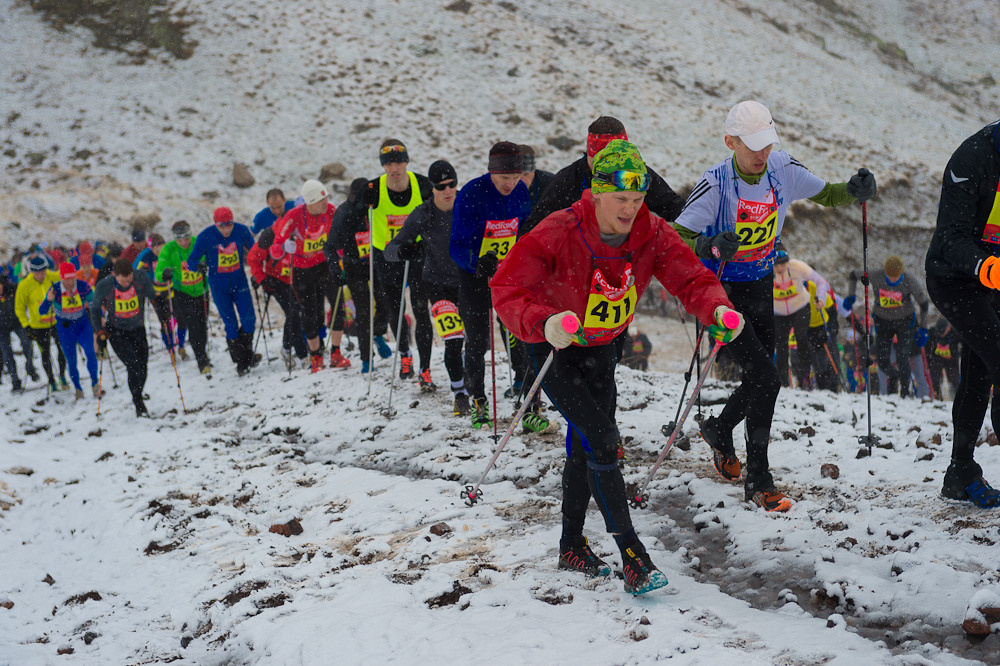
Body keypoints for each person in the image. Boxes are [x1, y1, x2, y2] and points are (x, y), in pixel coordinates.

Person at [492, 139, 739, 595]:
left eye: (638, 199)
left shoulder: (651, 231)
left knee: (585, 446)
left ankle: (571, 546)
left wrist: (717, 309)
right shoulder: (560, 228)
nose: (630, 209)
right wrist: (543, 321)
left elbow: (690, 277)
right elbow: (506, 288)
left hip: (603, 349)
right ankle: (633, 556)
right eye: (621, 198)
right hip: (555, 348)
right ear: (598, 192)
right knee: (603, 439)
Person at [673, 100, 876, 510]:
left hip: (761, 285)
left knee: (763, 377)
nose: (761, 153)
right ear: (730, 141)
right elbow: (676, 237)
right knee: (767, 378)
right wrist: (709, 245)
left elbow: (828, 194)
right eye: (752, 145)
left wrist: (854, 190)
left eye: (766, 142)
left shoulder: (782, 168)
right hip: (722, 294)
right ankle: (759, 479)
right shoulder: (715, 184)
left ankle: (720, 428)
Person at [924, 118, 1000, 507]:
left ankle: (960, 472)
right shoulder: (972, 157)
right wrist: (986, 266)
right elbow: (951, 237)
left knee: (980, 373)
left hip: (996, 278)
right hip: (954, 278)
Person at [450, 141, 532, 429]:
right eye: (504, 178)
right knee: (477, 339)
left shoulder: (520, 192)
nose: (510, 184)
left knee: (516, 329)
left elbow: (525, 230)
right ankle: (479, 400)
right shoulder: (472, 193)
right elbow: (456, 245)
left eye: (515, 177)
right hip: (475, 275)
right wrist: (476, 263)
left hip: (507, 273)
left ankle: (524, 389)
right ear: (491, 172)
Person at [386, 160, 471, 411]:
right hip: (438, 284)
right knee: (453, 339)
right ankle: (459, 392)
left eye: (452, 184)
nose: (448, 191)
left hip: (469, 281)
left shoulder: (469, 205)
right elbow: (390, 250)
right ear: (432, 188)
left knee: (476, 341)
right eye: (441, 186)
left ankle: (467, 368)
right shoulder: (423, 214)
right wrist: (403, 250)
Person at [518, 116, 685, 237]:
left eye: (616, 162)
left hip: (625, 259)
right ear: (589, 154)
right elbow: (532, 232)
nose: (607, 169)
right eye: (601, 161)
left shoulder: (636, 175)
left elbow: (673, 207)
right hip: (577, 263)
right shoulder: (566, 181)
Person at [365, 139, 434, 379]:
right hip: (386, 256)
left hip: (417, 252)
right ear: (383, 166)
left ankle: (425, 367)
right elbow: (349, 214)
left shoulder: (422, 185)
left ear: (407, 162)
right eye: (388, 164)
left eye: (399, 162)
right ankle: (405, 354)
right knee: (395, 308)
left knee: (420, 308)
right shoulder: (373, 189)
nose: (394, 169)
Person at [272, 180, 350, 372]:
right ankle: (315, 357)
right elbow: (275, 248)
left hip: (324, 264)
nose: (325, 203)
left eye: (326, 198)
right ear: (310, 202)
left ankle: (336, 353)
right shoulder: (294, 216)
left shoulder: (330, 210)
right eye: (320, 201)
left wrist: (343, 254)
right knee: (309, 312)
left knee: (338, 304)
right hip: (303, 269)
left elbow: (342, 235)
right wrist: (284, 247)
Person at [325, 178, 393, 374]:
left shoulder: (377, 206)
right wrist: (336, 269)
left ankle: (378, 333)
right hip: (354, 267)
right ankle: (366, 358)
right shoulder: (343, 212)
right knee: (363, 312)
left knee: (386, 302)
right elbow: (329, 246)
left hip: (377, 263)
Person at [184, 207, 259, 376]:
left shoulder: (241, 231)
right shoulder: (206, 236)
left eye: (229, 224)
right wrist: (199, 266)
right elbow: (191, 262)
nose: (226, 229)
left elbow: (255, 252)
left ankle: (246, 354)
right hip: (219, 287)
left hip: (240, 283)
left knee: (249, 320)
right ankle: (241, 362)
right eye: (222, 226)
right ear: (215, 224)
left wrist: (257, 272)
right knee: (230, 324)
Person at [847, 255, 929, 398]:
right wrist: (851, 295)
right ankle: (894, 378)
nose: (892, 280)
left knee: (903, 358)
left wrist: (924, 328)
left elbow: (924, 304)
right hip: (883, 321)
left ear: (901, 273)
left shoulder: (909, 280)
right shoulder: (876, 275)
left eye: (896, 277)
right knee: (883, 361)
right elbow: (853, 275)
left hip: (905, 321)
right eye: (889, 276)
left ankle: (904, 393)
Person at [90, 258, 157, 416]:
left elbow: (153, 295)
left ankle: (138, 392)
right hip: (117, 331)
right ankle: (139, 404)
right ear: (115, 275)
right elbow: (94, 309)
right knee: (133, 365)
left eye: (129, 279)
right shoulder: (104, 286)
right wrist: (99, 331)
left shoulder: (140, 278)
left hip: (137, 328)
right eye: (123, 280)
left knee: (143, 366)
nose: (127, 283)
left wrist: (160, 301)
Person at [156, 221, 212, 376]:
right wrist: (164, 274)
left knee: (202, 325)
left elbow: (211, 257)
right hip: (183, 292)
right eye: (180, 239)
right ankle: (201, 360)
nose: (184, 242)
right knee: (193, 325)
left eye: (186, 238)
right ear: (175, 238)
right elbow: (159, 269)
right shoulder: (170, 249)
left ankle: (203, 354)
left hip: (201, 289)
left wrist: (204, 264)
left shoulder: (197, 242)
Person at [248, 226, 309, 369]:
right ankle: (302, 354)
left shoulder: (303, 229)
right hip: (276, 280)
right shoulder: (270, 234)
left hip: (298, 277)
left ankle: (287, 348)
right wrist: (261, 279)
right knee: (293, 313)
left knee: (299, 313)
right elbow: (253, 258)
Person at [39, 262, 99, 399]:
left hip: (82, 325)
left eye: (73, 278)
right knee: (71, 360)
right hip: (65, 329)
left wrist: (98, 321)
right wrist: (48, 300)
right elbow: (42, 311)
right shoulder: (54, 290)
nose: (71, 282)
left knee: (90, 353)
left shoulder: (83, 286)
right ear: (61, 278)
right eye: (67, 280)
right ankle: (78, 388)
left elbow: (94, 306)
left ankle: (95, 383)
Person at [772, 248, 828, 388]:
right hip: (779, 313)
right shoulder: (766, 270)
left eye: (782, 265)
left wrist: (821, 298)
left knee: (801, 337)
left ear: (788, 262)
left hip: (800, 307)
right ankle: (783, 382)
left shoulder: (797, 266)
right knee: (781, 345)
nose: (780, 269)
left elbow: (821, 281)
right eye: (776, 265)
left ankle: (804, 377)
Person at [15, 255, 68, 391]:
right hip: (38, 326)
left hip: (56, 321)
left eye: (43, 272)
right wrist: (26, 326)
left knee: (62, 349)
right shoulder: (24, 285)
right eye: (37, 273)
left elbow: (65, 278)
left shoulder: (52, 277)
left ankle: (62, 376)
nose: (41, 276)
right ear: (32, 272)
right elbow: (19, 308)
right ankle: (52, 381)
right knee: (45, 353)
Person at [134, 233, 187, 358]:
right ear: (151, 248)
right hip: (157, 294)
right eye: (156, 248)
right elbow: (134, 271)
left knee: (182, 319)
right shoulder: (146, 256)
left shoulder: (170, 252)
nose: (159, 250)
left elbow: (181, 265)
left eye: (161, 246)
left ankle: (181, 346)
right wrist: (144, 273)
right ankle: (171, 349)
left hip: (172, 290)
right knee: (164, 323)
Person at [0, 272, 33, 393]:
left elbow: (24, 296)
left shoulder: (13, 288)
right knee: (6, 353)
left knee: (27, 343)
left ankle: (30, 368)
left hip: (17, 321)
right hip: (1, 328)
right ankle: (15, 381)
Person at [926, 318, 960, 400]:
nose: (941, 335)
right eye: (939, 332)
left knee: (954, 381)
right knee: (934, 377)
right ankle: (937, 397)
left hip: (951, 360)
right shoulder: (933, 332)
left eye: (943, 332)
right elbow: (927, 347)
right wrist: (929, 363)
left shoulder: (954, 333)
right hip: (937, 359)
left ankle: (956, 398)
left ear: (948, 328)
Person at [519, 144, 555, 212]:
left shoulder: (551, 184)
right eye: (516, 176)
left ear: (533, 171)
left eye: (526, 174)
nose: (522, 181)